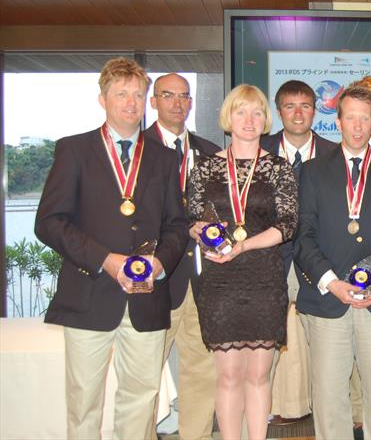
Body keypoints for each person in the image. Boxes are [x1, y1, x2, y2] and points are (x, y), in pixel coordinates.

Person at [35, 57, 188, 439]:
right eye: (121, 94)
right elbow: (49, 222)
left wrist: (158, 264)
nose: (131, 103)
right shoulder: (74, 150)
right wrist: (106, 260)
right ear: (102, 98)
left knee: (142, 397)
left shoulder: (166, 158)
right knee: (84, 401)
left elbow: (177, 225)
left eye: (138, 95)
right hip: (90, 294)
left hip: (146, 296)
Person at [294, 85, 371, 440]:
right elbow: (303, 236)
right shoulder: (313, 171)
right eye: (351, 118)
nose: (359, 126)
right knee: (330, 396)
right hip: (328, 298)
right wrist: (332, 281)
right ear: (338, 120)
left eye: (366, 118)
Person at [187, 84, 298, 440]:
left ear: (265, 119)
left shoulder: (279, 168)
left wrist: (244, 245)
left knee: (259, 375)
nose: (249, 120)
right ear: (228, 117)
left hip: (264, 277)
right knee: (229, 375)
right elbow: (189, 218)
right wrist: (203, 232)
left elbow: (288, 224)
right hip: (220, 280)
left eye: (256, 113)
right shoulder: (205, 168)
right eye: (241, 112)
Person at [143, 72, 220, 440]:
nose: (177, 102)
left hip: (203, 278)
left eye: (184, 96)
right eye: (168, 95)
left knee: (201, 370)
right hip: (155, 278)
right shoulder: (137, 147)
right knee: (145, 374)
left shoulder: (209, 151)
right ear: (153, 101)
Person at [259, 79, 337, 424]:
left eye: (305, 105)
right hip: (267, 261)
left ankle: (328, 423)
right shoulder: (256, 150)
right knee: (265, 352)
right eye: (289, 106)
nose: (298, 113)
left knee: (324, 352)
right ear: (278, 112)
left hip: (319, 261)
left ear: (315, 109)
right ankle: (260, 422)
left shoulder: (335, 153)